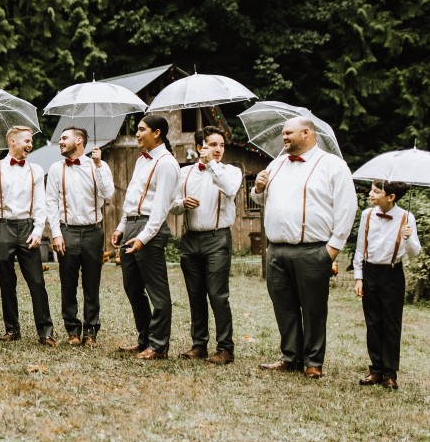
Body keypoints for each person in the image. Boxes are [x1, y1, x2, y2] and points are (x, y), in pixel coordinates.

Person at [253, 117, 357, 378]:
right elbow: (261, 198)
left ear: (307, 133)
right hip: (276, 250)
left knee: (313, 309)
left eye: (289, 133)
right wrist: (258, 187)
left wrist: (332, 249)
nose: (284, 138)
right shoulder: (275, 164)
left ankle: (313, 362)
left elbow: (347, 208)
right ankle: (290, 356)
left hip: (313, 250)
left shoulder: (333, 166)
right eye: (283, 134)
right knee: (283, 306)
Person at [169, 126, 242, 364]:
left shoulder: (231, 171)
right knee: (195, 294)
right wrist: (182, 203)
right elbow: (171, 204)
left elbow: (230, 190)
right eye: (212, 144)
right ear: (199, 147)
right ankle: (199, 344)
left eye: (221, 144)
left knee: (218, 295)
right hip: (190, 239)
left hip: (217, 239)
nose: (218, 149)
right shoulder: (185, 173)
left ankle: (225, 349)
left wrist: (211, 164)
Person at [111, 114, 180, 360]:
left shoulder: (167, 163)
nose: (137, 134)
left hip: (149, 229)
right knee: (132, 286)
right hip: (131, 224)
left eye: (141, 130)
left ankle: (159, 345)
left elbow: (161, 208)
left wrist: (144, 237)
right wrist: (121, 226)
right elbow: (132, 199)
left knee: (156, 290)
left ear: (157, 133)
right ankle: (144, 339)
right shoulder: (142, 161)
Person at [46, 126, 114, 346]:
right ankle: (73, 331)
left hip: (94, 231)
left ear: (79, 140)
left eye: (65, 138)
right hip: (67, 231)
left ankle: (91, 331)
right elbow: (51, 203)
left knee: (91, 283)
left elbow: (108, 193)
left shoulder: (99, 166)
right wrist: (56, 234)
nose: (61, 141)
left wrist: (97, 166)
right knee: (68, 283)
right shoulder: (56, 169)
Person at [0, 126, 56, 346]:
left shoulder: (35, 170)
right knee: (6, 281)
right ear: (13, 142)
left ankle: (45, 332)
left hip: (27, 227)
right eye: (26, 140)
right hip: (3, 226)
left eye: (31, 141)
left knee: (36, 280)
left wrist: (38, 231)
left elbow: (40, 203)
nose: (30, 144)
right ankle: (11, 329)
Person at [353, 179, 421, 390]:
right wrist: (358, 276)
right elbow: (359, 247)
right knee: (373, 322)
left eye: (376, 192)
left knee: (391, 323)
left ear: (391, 197)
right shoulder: (367, 215)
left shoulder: (406, 217)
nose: (371, 195)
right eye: (372, 191)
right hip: (370, 271)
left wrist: (408, 238)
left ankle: (390, 373)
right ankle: (375, 370)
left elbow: (415, 252)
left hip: (392, 274)